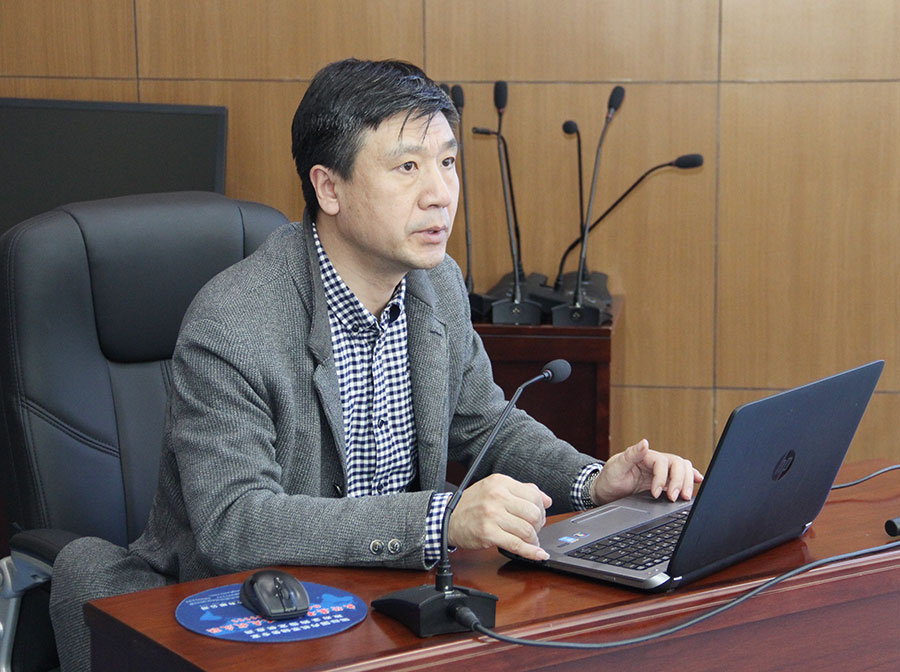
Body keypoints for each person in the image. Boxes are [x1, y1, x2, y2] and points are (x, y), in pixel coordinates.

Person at [49, 58, 701, 671]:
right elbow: (236, 523)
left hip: (383, 605)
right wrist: (436, 521)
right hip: (242, 619)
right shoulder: (233, 324)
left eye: (448, 162)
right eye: (407, 167)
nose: (440, 193)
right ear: (329, 188)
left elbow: (485, 426)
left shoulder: (436, 285)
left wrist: (593, 481)